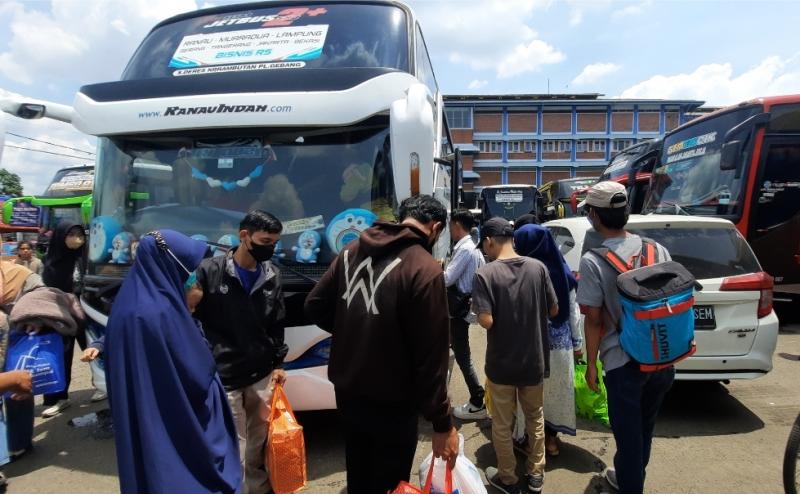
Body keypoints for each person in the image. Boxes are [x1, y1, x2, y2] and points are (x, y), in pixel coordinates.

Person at [305, 195, 458, 494]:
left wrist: (355, 331)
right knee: (390, 482)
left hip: (348, 392)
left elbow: (314, 306)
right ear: (436, 228)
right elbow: (431, 356)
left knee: (359, 472)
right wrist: (442, 422)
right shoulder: (424, 268)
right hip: (394, 401)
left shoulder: (351, 250)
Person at [105, 230, 241, 494]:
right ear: (169, 264)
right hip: (175, 422)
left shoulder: (128, 303)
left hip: (147, 415)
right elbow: (198, 373)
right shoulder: (161, 313)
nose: (192, 276)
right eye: (189, 268)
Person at [577, 181, 673, 494]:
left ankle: (631, 484)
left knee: (628, 440)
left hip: (623, 363)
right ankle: (630, 478)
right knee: (643, 432)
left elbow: (592, 320)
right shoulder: (656, 249)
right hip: (662, 358)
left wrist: (591, 365)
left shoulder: (594, 261)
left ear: (594, 216)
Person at [193, 211, 287, 494]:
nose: (270, 248)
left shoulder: (272, 275)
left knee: (258, 442)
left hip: (261, 374)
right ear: (244, 236)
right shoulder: (210, 271)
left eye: (275, 243)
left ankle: (257, 488)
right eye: (265, 241)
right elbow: (191, 317)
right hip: (225, 376)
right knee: (234, 443)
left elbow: (277, 322)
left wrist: (279, 363)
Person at [472, 217, 558, 494]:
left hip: (501, 364)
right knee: (535, 418)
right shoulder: (538, 268)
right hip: (534, 360)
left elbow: (486, 321)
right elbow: (554, 310)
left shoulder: (485, 274)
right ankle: (536, 475)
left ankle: (507, 477)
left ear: (489, 241)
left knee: (501, 422)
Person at [514, 224, 583, 456]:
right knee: (556, 396)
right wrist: (578, 344)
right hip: (560, 347)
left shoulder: (522, 272)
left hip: (530, 347)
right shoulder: (564, 273)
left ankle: (531, 443)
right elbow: (573, 312)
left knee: (531, 398)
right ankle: (551, 442)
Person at [41, 220, 95, 416]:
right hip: (62, 317)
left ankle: (102, 385)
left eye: (79, 234)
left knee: (95, 351)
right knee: (62, 355)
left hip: (87, 313)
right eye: (71, 234)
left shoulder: (87, 257)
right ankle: (60, 397)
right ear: (61, 237)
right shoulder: (52, 264)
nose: (77, 239)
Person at [444, 209, 487, 420]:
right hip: (462, 309)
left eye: (450, 225)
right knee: (459, 353)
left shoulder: (465, 249)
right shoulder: (473, 248)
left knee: (463, 355)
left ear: (457, 225)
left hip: (458, 311)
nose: (449, 229)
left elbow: (447, 279)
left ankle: (478, 399)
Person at [0, 262, 44, 461]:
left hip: (17, 335)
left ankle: (19, 443)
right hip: (12, 333)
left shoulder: (18, 273)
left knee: (18, 387)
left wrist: (32, 316)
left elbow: (42, 296)